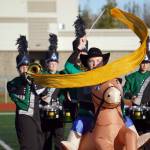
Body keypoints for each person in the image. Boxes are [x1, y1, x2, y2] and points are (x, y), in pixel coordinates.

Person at [61, 47, 110, 150]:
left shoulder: (108, 77)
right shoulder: (82, 76)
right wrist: (78, 50)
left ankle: (135, 140)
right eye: (91, 61)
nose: (95, 63)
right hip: (86, 116)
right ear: (87, 63)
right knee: (79, 123)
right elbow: (68, 66)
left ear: (103, 62)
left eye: (98, 60)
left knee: (126, 120)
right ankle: (72, 146)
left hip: (104, 117)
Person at [7, 35, 46, 150]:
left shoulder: (36, 79)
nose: (24, 69)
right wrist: (27, 82)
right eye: (21, 67)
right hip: (24, 119)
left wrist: (35, 81)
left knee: (39, 146)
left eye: (26, 66)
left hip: (37, 118)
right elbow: (22, 102)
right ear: (18, 68)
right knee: (29, 147)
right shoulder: (13, 83)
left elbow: (44, 94)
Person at [40, 33, 64, 150]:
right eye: (51, 63)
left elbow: (65, 92)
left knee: (59, 139)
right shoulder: (42, 76)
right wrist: (43, 96)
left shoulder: (61, 75)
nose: (53, 65)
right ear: (47, 63)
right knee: (46, 139)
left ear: (57, 64)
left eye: (55, 63)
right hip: (44, 112)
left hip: (58, 112)